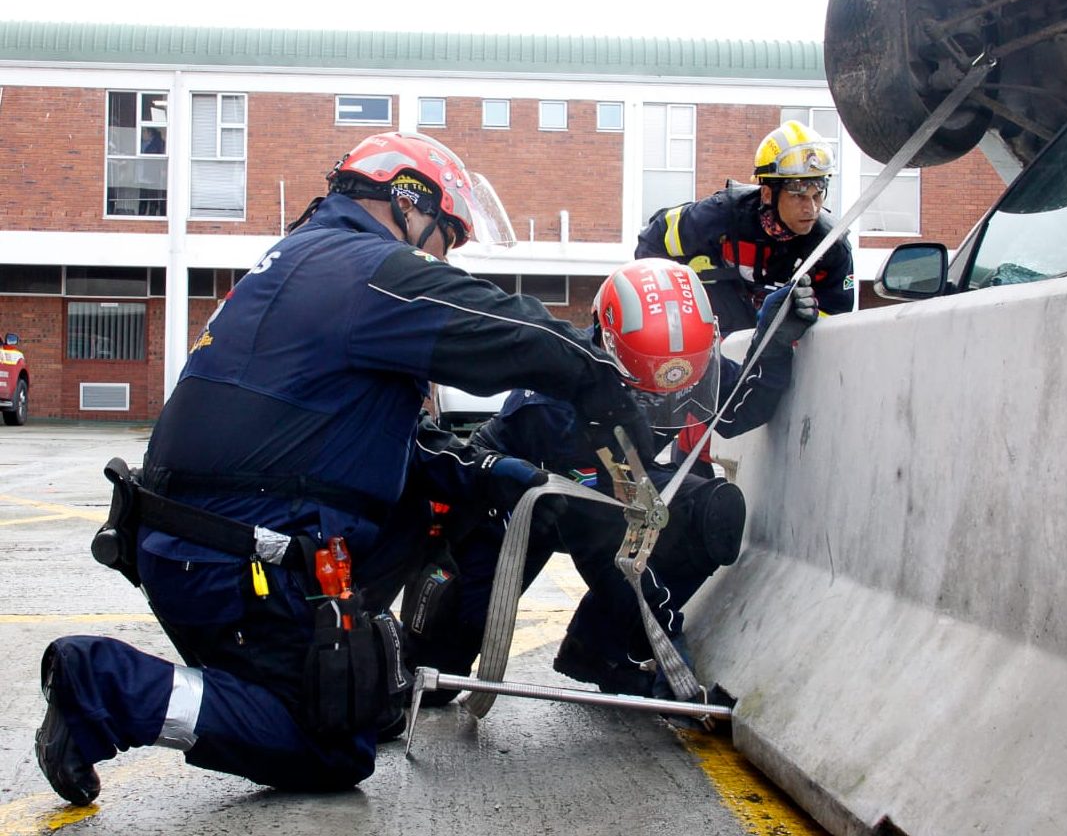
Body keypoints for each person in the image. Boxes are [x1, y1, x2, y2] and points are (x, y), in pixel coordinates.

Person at [34, 131, 654, 806]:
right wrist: (599, 381)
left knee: (367, 687)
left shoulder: (304, 261)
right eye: (447, 237)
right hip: (238, 561)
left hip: (207, 543)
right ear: (409, 204)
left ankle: (341, 676)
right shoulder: (358, 267)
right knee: (328, 748)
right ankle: (104, 685)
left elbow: (360, 438)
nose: (445, 257)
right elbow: (502, 327)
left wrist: (490, 472)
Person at [402, 256, 819, 700]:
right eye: (647, 393)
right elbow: (603, 548)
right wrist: (670, 654)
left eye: (681, 384)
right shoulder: (556, 404)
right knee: (434, 678)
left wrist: (773, 341)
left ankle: (596, 650)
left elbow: (738, 409)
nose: (668, 400)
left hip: (613, 483)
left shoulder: (674, 363)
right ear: (609, 349)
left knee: (712, 512)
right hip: (510, 500)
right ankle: (419, 646)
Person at [635, 119, 855, 334]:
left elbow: (837, 321)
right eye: (799, 196)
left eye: (817, 195)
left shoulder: (831, 246)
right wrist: (676, 308)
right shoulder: (720, 215)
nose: (812, 209)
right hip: (715, 352)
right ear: (768, 194)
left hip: (780, 359)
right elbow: (651, 243)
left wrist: (808, 319)